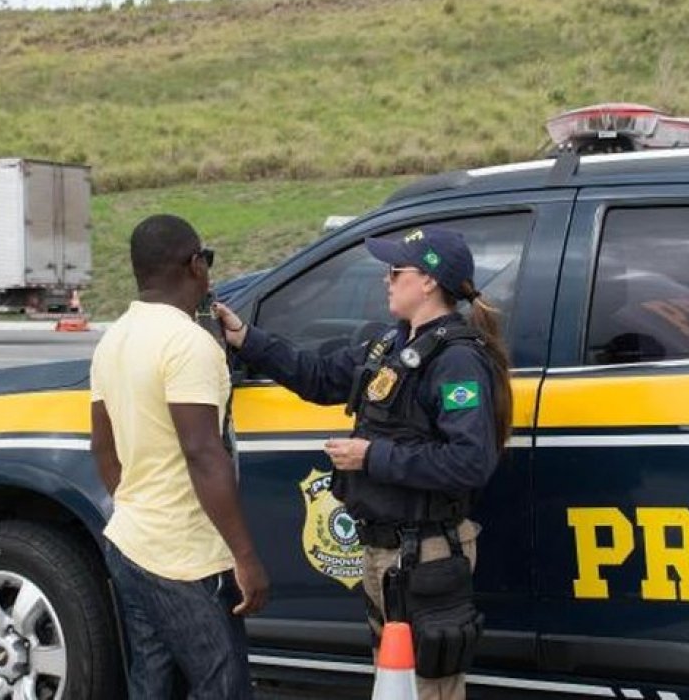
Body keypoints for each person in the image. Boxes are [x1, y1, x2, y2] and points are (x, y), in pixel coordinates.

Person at [214, 226, 512, 700]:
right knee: (394, 683)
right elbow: (318, 377)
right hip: (385, 552)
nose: (385, 280)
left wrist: (371, 455)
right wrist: (247, 338)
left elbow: (470, 462)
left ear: (428, 281)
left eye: (395, 271)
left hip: (426, 554)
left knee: (429, 688)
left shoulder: (457, 360)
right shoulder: (390, 346)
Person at [90, 213, 269, 700]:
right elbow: (203, 454)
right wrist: (245, 557)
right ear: (195, 265)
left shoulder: (114, 340)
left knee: (155, 685)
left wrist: (139, 509)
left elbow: (102, 448)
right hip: (185, 560)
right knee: (223, 686)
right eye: (206, 259)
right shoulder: (188, 344)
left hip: (129, 543)